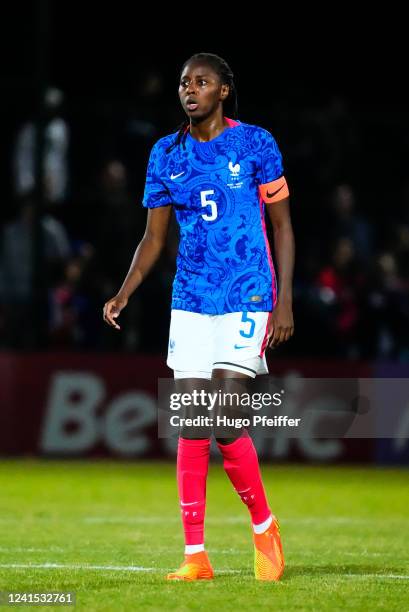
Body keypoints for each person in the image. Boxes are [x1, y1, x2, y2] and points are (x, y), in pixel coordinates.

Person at [103, 53, 295, 581]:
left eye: (203, 81)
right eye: (185, 82)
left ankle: (263, 527)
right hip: (191, 300)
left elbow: (282, 225)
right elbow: (154, 238)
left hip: (248, 295)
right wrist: (124, 292)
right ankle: (196, 557)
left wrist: (285, 301)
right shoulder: (166, 154)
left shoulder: (256, 143)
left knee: (227, 423)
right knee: (192, 423)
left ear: (224, 91)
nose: (191, 89)